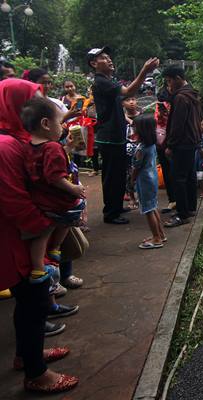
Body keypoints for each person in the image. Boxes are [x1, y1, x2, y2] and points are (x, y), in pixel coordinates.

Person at [0, 78, 78, 394]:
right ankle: (36, 373)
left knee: (28, 302)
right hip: (15, 237)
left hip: (23, 234)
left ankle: (26, 353)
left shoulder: (23, 140)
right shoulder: (6, 146)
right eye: (32, 99)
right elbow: (12, 197)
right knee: (33, 301)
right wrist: (45, 225)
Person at [19, 97, 86, 299]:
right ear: (46, 124)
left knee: (41, 237)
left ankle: (39, 267)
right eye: (59, 122)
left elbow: (45, 166)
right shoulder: (52, 147)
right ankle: (55, 253)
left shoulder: (28, 146)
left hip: (40, 202)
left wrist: (68, 149)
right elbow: (55, 176)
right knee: (74, 211)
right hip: (57, 202)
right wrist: (74, 189)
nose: (62, 127)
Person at [87, 46, 159, 224]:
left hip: (115, 135)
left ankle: (116, 206)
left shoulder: (107, 80)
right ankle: (111, 213)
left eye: (108, 56)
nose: (109, 59)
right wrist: (144, 70)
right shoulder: (101, 82)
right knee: (112, 175)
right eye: (103, 57)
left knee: (118, 174)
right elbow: (128, 92)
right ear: (94, 64)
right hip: (109, 137)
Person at [162, 65, 202, 227]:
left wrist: (170, 145)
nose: (169, 85)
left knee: (178, 178)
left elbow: (178, 125)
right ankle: (190, 207)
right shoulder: (192, 94)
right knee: (189, 175)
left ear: (178, 78)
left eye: (170, 81)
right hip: (192, 141)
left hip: (182, 143)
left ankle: (182, 214)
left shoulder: (181, 98)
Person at [131, 114, 166, 249]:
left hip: (144, 180)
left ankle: (156, 238)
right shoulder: (151, 145)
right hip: (152, 178)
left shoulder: (141, 149)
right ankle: (160, 234)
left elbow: (136, 167)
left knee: (148, 209)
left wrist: (132, 180)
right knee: (153, 206)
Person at [155, 100, 176, 212]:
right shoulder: (158, 107)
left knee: (175, 172)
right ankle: (172, 200)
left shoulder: (175, 104)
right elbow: (156, 121)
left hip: (171, 145)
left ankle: (178, 200)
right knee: (167, 173)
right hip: (160, 146)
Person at [123, 95, 141, 210]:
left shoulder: (142, 115)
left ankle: (141, 196)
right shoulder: (120, 117)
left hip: (140, 150)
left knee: (141, 173)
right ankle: (132, 197)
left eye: (133, 99)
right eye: (128, 100)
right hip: (126, 150)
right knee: (129, 175)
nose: (131, 102)